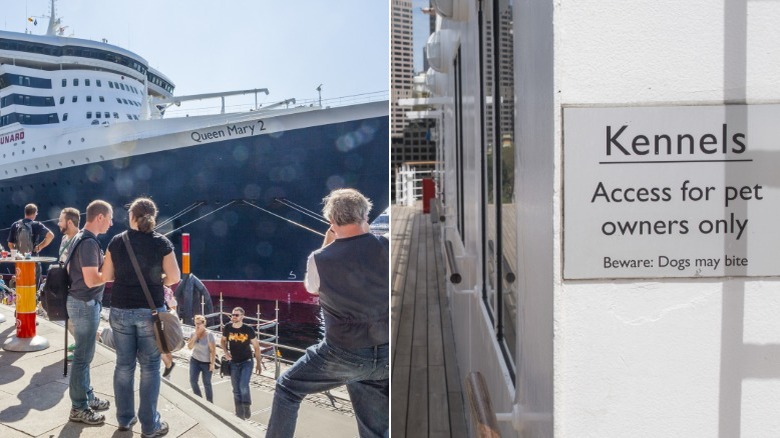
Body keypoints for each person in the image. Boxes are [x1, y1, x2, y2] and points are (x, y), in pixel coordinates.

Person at [266, 188, 389, 438]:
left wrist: (328, 241)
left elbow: (312, 288)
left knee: (287, 388)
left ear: (330, 222)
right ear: (365, 215)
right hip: (386, 352)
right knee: (374, 429)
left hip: (343, 354)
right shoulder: (387, 245)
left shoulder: (319, 259)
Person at [101, 197, 180, 437]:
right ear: (152, 217)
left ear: (131, 217)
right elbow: (174, 277)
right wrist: (157, 281)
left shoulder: (117, 241)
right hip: (151, 312)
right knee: (150, 368)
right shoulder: (162, 242)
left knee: (123, 366)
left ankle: (125, 420)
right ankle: (150, 425)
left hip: (121, 310)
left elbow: (106, 276)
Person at [66, 200, 113, 426]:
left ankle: (87, 395)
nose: (112, 223)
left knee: (85, 357)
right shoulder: (89, 243)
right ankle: (79, 407)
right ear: (100, 217)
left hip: (80, 302)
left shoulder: (79, 238)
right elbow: (91, 279)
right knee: (82, 359)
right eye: (110, 218)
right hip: (84, 303)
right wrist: (113, 275)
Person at [221, 306, 262, 419]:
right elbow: (222, 341)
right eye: (233, 314)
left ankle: (246, 405)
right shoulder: (228, 327)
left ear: (242, 317)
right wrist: (226, 353)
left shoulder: (248, 329)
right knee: (235, 388)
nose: (233, 317)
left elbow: (257, 347)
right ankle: (239, 414)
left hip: (247, 361)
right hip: (234, 362)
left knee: (243, 385)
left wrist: (258, 363)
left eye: (236, 315)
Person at [57, 207, 80, 358]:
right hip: (64, 282)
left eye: (61, 220)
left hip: (75, 285)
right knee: (66, 316)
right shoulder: (65, 238)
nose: (58, 223)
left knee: (75, 317)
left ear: (70, 222)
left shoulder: (81, 239)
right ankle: (78, 341)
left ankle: (81, 348)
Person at [187, 314, 216, 402]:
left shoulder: (209, 335)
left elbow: (213, 350)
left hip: (206, 362)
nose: (197, 325)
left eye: (199, 323)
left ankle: (210, 402)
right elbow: (190, 347)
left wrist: (212, 363)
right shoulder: (193, 333)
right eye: (196, 324)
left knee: (206, 383)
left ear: (204, 324)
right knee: (193, 381)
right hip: (195, 360)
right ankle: (199, 399)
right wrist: (195, 336)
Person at [161, 284, 177, 377]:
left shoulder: (164, 291)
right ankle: (169, 367)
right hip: (169, 324)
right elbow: (174, 306)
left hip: (162, 323)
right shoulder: (168, 291)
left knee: (158, 346)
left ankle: (169, 365)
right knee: (166, 348)